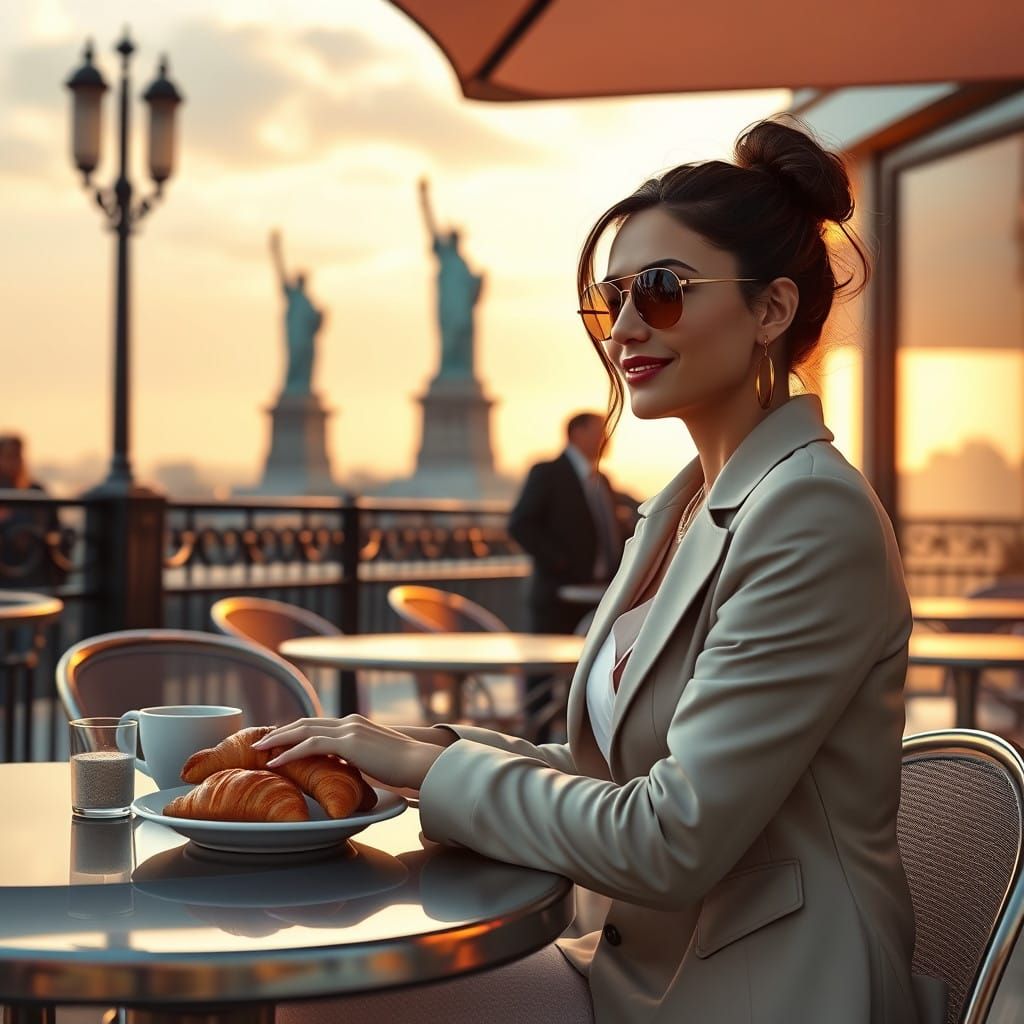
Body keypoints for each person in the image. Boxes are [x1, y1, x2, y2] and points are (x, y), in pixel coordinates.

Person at [266, 118, 946, 1024]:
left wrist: (430, 778)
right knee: (311, 983)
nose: (624, 327)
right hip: (639, 968)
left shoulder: (809, 514)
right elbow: (620, 774)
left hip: (764, 990)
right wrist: (433, 753)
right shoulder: (678, 506)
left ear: (771, 311)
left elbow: (668, 836)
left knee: (316, 1001)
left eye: (660, 291)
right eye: (610, 297)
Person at [509, 411, 630, 636]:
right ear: (577, 433)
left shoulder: (602, 481)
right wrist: (560, 563)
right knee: (548, 668)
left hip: (599, 597)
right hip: (558, 600)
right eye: (600, 431)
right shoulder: (548, 473)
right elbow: (521, 524)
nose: (607, 438)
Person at [418, 178, 485, 380]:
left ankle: (461, 374)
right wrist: (424, 198)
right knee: (449, 341)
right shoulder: (445, 256)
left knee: (464, 340)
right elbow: (430, 225)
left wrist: (480, 282)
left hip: (462, 311)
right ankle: (450, 373)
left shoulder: (463, 264)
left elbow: (474, 293)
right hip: (449, 309)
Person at [0, 434, 64, 588]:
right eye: (9, 456)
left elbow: (55, 529)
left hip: (34, 573)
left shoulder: (37, 491)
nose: (15, 462)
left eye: (18, 456)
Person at [269, 229, 325, 396]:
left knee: (306, 364)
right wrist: (276, 250)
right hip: (296, 339)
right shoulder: (293, 296)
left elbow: (315, 325)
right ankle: (294, 388)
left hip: (307, 342)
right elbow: (280, 272)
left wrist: (321, 318)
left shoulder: (308, 302)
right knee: (294, 362)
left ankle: (301, 388)